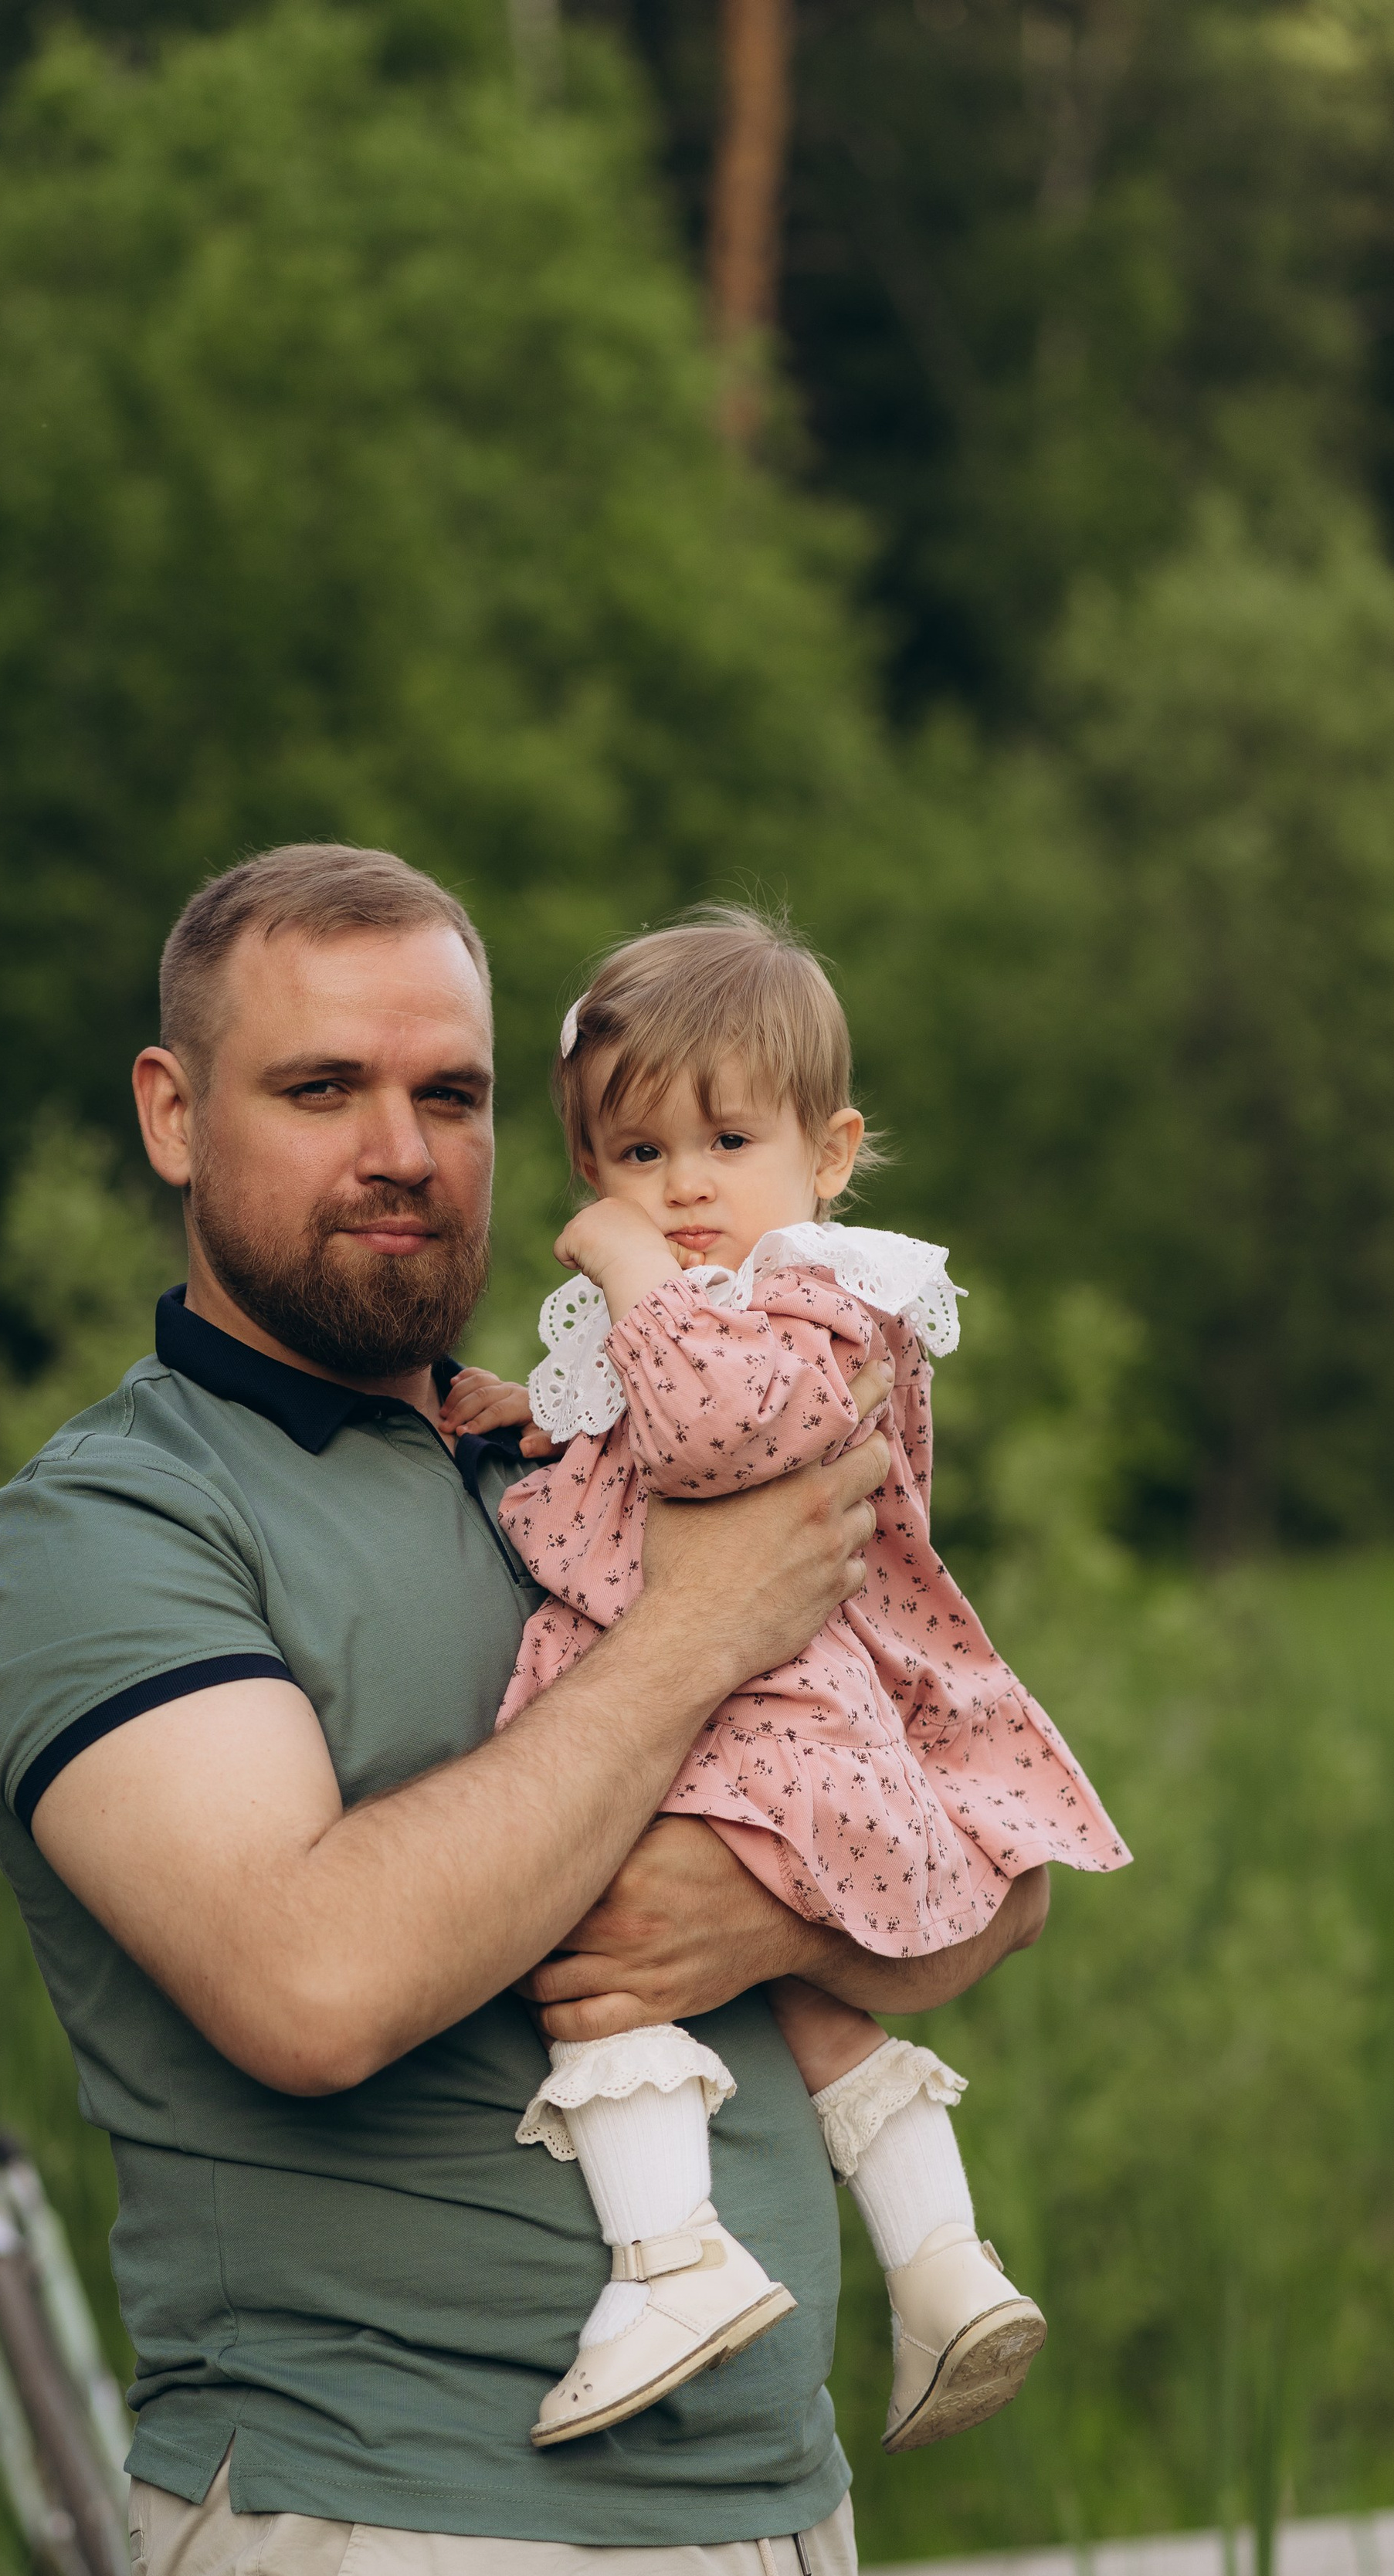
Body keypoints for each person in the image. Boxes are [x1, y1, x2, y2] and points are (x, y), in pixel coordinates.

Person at [0, 845, 1046, 2576]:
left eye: (449, 1096)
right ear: (174, 1112)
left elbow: (981, 1879)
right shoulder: (112, 1529)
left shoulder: (591, 1463)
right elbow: (312, 1979)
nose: (400, 1154)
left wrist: (772, 1929)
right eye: (321, 1089)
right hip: (420, 2567)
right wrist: (702, 1634)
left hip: (773, 2530)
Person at [439, 910, 1128, 2460]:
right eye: (631, 1156)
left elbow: (704, 1433)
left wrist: (622, 1271)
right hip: (775, 1717)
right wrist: (528, 1411)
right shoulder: (722, 1311)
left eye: (726, 1140)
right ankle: (941, 2262)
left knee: (583, 1934)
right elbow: (632, 1448)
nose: (679, 1188)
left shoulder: (817, 1297)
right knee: (810, 2006)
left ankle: (664, 2257)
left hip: (769, 1717)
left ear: (827, 1154)